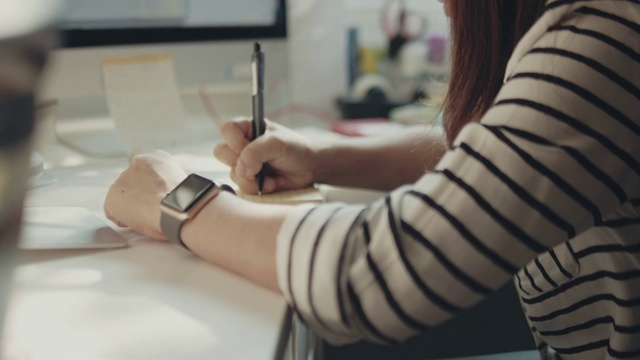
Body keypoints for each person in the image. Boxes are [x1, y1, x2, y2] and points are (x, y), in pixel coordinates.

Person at [104, 0, 640, 358]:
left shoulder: (607, 38)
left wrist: (178, 203)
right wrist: (321, 157)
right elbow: (500, 152)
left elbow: (379, 272)